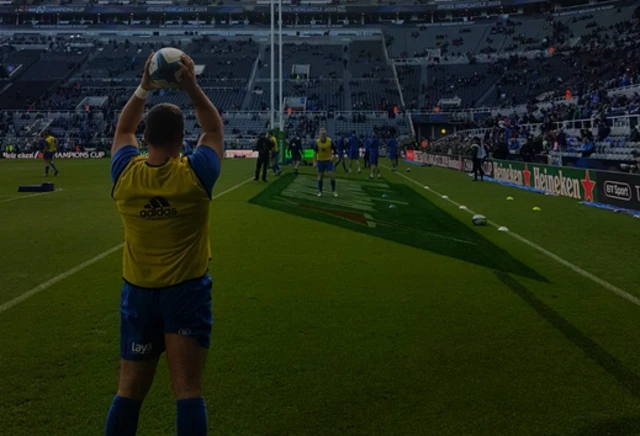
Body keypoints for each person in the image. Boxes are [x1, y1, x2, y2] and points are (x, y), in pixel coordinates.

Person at [106, 52, 223, 436]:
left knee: (128, 392)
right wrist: (191, 86)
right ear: (180, 140)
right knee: (188, 391)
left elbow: (121, 132)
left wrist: (143, 87)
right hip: (186, 293)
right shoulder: (195, 177)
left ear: (145, 138)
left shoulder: (126, 175)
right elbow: (214, 131)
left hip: (138, 295)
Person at [313, 127, 338, 197]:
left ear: (325, 134)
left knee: (331, 176)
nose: (322, 135)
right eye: (321, 134)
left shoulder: (330, 141)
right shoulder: (317, 142)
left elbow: (335, 150)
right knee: (320, 176)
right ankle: (320, 192)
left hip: (328, 161)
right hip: (320, 161)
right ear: (319, 135)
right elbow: (315, 153)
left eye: (323, 134)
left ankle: (333, 191)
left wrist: (333, 156)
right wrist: (314, 162)